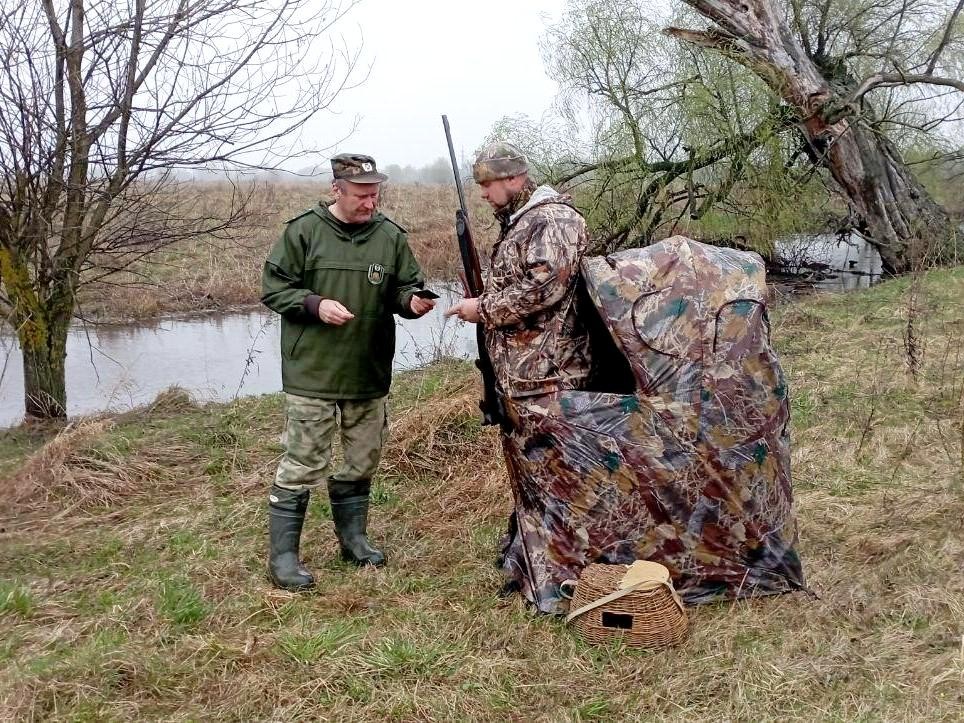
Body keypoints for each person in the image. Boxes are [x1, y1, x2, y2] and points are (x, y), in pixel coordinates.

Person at [261, 153, 435, 591]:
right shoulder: (302, 231)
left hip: (367, 370)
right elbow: (274, 289)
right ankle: (283, 560)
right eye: (361, 195)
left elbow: (404, 287)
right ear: (336, 189)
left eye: (375, 194)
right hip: (312, 372)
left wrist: (413, 303)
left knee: (363, 461)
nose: (370, 203)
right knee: (303, 462)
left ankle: (353, 541)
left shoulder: (390, 236)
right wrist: (315, 304)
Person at [444, 143, 594, 608]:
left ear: (512, 179)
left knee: (555, 475)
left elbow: (544, 288)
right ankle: (528, 557)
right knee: (530, 471)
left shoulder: (552, 220)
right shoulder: (523, 222)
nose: (484, 195)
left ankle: (562, 578)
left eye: (488, 184)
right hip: (524, 376)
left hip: (552, 376)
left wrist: (481, 309)